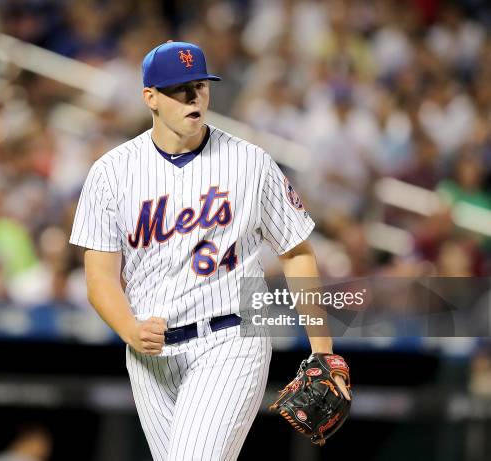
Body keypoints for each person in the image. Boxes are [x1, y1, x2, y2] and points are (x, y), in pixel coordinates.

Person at [70, 40, 349, 460]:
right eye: (179, 89)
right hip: (151, 357)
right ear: (151, 97)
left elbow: (296, 252)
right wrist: (128, 328)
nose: (193, 97)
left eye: (200, 85)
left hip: (231, 339)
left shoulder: (250, 162)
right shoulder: (111, 172)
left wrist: (322, 349)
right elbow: (100, 279)